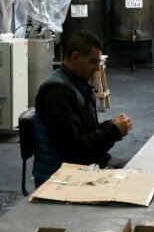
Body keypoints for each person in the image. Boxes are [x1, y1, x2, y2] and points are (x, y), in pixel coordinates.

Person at [33, 31, 132, 186]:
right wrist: (113, 132)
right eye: (93, 62)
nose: (97, 68)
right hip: (62, 177)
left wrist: (110, 126)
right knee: (132, 182)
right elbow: (74, 149)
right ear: (75, 58)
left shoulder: (77, 85)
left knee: (137, 171)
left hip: (80, 166)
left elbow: (83, 131)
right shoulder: (58, 93)